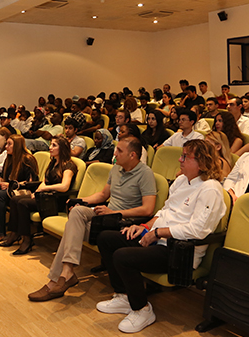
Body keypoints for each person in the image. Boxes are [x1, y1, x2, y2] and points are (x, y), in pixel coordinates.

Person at [94, 139, 227, 334]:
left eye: (185, 157)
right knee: (107, 238)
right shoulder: (181, 181)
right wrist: (145, 227)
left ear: (202, 162)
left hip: (180, 251)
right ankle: (123, 296)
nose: (179, 160)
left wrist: (158, 233)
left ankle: (142, 310)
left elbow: (198, 230)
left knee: (123, 257)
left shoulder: (211, 189)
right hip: (158, 238)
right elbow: (165, 211)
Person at [27, 135, 157, 301]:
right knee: (77, 211)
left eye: (119, 150)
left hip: (121, 220)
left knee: (71, 230)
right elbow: (103, 194)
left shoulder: (145, 174)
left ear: (132, 155)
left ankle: (56, 280)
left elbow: (148, 209)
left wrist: (114, 213)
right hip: (106, 214)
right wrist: (81, 201)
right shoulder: (116, 168)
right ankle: (67, 272)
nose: (114, 153)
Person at [3, 137, 78, 255]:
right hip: (45, 197)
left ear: (62, 148)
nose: (50, 148)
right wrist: (37, 192)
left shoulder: (69, 165)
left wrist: (45, 189)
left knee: (22, 203)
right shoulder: (53, 162)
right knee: (15, 199)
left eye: (54, 145)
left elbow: (64, 186)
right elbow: (44, 181)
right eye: (51, 144)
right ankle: (15, 233)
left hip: (56, 200)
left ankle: (27, 240)